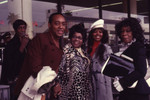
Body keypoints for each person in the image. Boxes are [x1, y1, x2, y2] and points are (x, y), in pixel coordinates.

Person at [13, 13, 67, 100]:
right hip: (31, 91)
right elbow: (35, 67)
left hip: (47, 91)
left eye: (63, 24)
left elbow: (56, 69)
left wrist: (56, 84)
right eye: (57, 23)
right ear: (49, 25)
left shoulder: (61, 44)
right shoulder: (40, 39)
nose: (61, 27)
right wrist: (54, 83)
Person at [113, 17, 150, 100]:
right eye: (122, 31)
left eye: (128, 31)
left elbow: (141, 71)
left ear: (134, 32)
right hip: (129, 91)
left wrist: (122, 82)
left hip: (137, 93)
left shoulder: (138, 47)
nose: (124, 33)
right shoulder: (125, 47)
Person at [58, 23, 93, 100]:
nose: (76, 39)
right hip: (70, 93)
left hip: (84, 92)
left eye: (79, 38)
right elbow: (59, 73)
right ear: (70, 37)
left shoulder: (84, 53)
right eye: (74, 37)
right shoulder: (65, 52)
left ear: (83, 40)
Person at [0, 19, 30, 99]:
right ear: (16, 29)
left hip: (27, 76)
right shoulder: (11, 44)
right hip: (15, 78)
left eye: (24, 28)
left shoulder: (29, 42)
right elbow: (11, 62)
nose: (22, 30)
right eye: (20, 28)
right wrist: (22, 46)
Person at [87, 19, 113, 100]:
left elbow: (111, 66)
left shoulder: (106, 48)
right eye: (95, 31)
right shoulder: (88, 48)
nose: (98, 34)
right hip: (91, 80)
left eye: (100, 32)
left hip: (103, 81)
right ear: (92, 34)